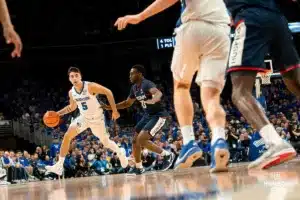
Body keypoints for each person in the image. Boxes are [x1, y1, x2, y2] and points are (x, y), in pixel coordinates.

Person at [114, 0, 231, 172]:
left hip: (194, 25)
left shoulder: (147, 84)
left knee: (182, 86)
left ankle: (189, 141)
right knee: (211, 96)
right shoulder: (135, 88)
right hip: (221, 28)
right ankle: (219, 139)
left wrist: (140, 16)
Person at [225, 0, 298, 169]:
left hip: (250, 18)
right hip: (277, 18)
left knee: (239, 92)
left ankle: (275, 143)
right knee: (294, 81)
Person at [45, 67, 128, 176]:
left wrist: (114, 110)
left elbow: (108, 92)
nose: (74, 78)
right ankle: (59, 166)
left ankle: (120, 152)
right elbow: (72, 107)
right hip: (83, 118)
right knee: (67, 136)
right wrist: (57, 114)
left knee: (106, 142)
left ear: (80, 76)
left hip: (97, 119)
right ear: (69, 79)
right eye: (71, 76)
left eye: (76, 75)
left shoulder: (90, 86)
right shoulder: (72, 92)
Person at [102, 65, 175, 175]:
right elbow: (127, 103)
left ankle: (167, 155)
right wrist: (109, 107)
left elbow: (158, 93)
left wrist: (153, 100)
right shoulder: (134, 88)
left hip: (158, 115)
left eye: (132, 73)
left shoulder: (147, 84)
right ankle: (139, 167)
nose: (130, 76)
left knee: (141, 139)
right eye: (130, 74)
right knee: (135, 140)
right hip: (147, 116)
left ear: (140, 74)